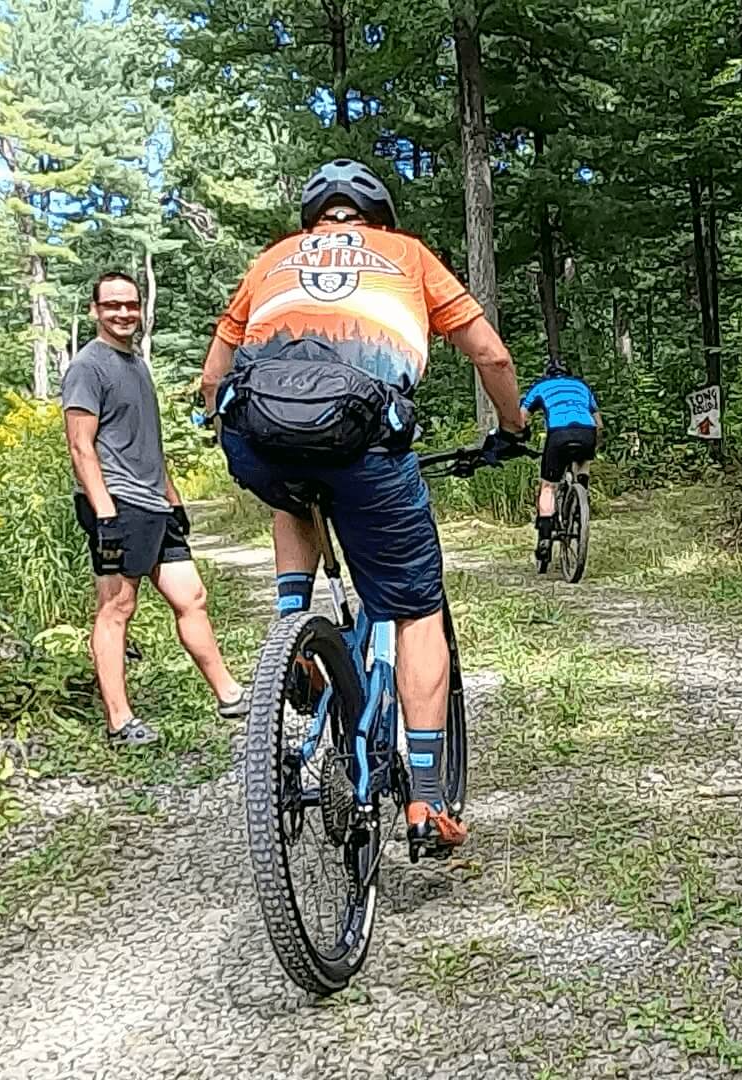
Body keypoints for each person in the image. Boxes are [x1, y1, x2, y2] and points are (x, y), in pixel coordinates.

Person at [198, 159, 529, 856]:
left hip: (258, 435)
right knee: (416, 609)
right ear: (377, 216)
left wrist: (223, 426)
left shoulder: (273, 260)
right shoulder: (406, 254)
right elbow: (492, 357)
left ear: (314, 217)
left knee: (291, 488)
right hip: (364, 439)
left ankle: (294, 633)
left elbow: (211, 376)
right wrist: (512, 430)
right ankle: (428, 801)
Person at [64, 271, 249, 747]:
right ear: (94, 311)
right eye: (112, 306)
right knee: (116, 608)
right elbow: (82, 448)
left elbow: (147, 443)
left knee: (192, 599)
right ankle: (120, 721)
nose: (123, 313)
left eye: (130, 305)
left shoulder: (136, 363)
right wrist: (105, 516)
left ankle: (230, 694)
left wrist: (173, 498)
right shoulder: (89, 366)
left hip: (153, 506)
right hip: (116, 505)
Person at [518, 359, 602, 570]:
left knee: (548, 486)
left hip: (558, 433)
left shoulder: (541, 386)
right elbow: (599, 423)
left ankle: (545, 536)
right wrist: (594, 444)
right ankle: (580, 498)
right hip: (586, 431)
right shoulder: (581, 386)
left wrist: (520, 435)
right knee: (583, 463)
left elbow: (521, 418)